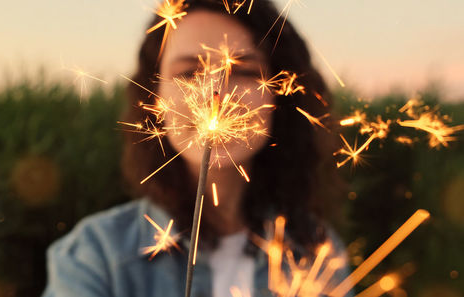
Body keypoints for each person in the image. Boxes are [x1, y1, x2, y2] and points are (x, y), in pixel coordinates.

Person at [42, 0, 349, 296]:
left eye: (243, 71)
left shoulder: (316, 253)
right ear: (154, 99)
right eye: (188, 73)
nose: (215, 94)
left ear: (279, 97)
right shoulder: (93, 255)